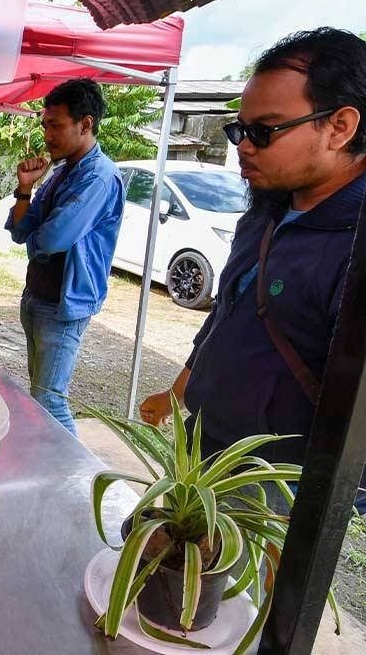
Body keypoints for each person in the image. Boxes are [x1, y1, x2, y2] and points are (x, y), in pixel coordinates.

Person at [139, 28, 366, 513]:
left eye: (264, 131)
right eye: (238, 131)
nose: (244, 146)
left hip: (271, 481)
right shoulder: (266, 210)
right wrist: (177, 390)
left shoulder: (354, 246)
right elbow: (229, 312)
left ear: (340, 127)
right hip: (203, 447)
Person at [4, 79, 124, 436]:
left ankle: (75, 479)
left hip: (64, 304)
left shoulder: (100, 177)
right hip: (38, 297)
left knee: (49, 401)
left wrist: (37, 233)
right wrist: (25, 188)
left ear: (85, 124)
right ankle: (50, 464)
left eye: (55, 125)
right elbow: (20, 231)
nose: (47, 134)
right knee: (40, 395)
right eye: (45, 125)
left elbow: (53, 238)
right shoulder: (61, 174)